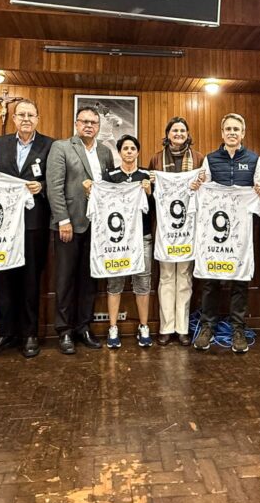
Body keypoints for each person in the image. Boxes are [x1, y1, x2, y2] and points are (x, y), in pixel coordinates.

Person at [190, 113, 260, 354]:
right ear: (222, 133)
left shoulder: (254, 160)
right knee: (210, 280)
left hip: (241, 233)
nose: (232, 133)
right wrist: (196, 186)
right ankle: (207, 327)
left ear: (243, 133)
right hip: (213, 232)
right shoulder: (210, 159)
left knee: (240, 281)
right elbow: (201, 191)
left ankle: (238, 329)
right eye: (228, 129)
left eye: (236, 129)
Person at [0, 99, 53, 359]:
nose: (26, 119)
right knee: (3, 280)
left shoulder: (50, 145)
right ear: (13, 118)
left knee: (31, 279)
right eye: (21, 115)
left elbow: (56, 179)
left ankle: (30, 334)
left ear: (38, 119)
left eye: (31, 115)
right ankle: (5, 334)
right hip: (1, 226)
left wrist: (42, 186)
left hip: (34, 223)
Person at [46, 105, 114, 354]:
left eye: (93, 122)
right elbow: (54, 187)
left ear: (98, 126)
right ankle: (64, 330)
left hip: (97, 226)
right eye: (84, 121)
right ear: (76, 124)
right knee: (65, 279)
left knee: (89, 280)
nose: (89, 126)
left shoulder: (105, 151)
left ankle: (83, 327)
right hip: (69, 225)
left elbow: (108, 186)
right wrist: (63, 220)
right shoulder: (62, 147)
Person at [148, 117, 203, 346]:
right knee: (166, 277)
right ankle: (166, 327)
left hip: (189, 228)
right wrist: (151, 182)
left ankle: (182, 328)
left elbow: (205, 190)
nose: (178, 133)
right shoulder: (156, 159)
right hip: (165, 230)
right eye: (174, 130)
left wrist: (200, 183)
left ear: (187, 134)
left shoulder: (199, 159)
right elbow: (151, 195)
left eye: (182, 130)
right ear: (167, 134)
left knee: (185, 278)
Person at [98, 135, 154, 349]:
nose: (129, 151)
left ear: (138, 152)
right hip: (117, 241)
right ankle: (113, 327)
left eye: (133, 148)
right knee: (115, 282)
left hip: (142, 237)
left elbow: (157, 208)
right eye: (125, 148)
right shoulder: (110, 176)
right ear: (120, 152)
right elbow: (102, 203)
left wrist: (149, 192)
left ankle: (144, 326)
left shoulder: (147, 176)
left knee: (143, 283)